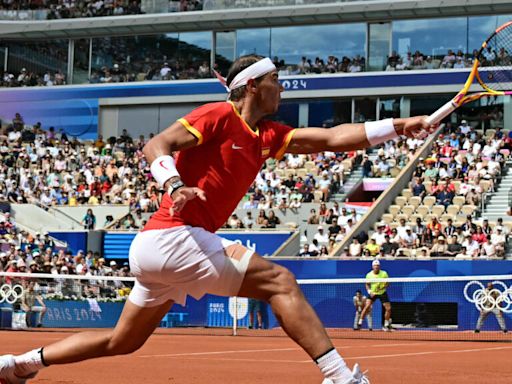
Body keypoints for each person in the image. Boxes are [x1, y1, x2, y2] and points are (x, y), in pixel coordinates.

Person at [0, 55, 434, 384]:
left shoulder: (267, 137)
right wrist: (174, 186)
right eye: (274, 81)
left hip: (162, 247)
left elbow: (334, 138)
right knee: (280, 281)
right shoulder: (218, 115)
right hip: (173, 236)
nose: (281, 88)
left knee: (123, 341)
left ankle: (20, 364)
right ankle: (341, 376)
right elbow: (157, 145)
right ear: (251, 87)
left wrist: (402, 125)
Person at [357, 260, 392, 332]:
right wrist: (369, 292)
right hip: (373, 293)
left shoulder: (384, 273)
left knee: (388, 308)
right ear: (372, 267)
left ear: (379, 266)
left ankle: (386, 324)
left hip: (382, 292)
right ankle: (360, 322)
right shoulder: (369, 275)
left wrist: (382, 287)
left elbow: (388, 283)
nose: (376, 267)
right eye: (375, 266)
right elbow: (367, 284)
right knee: (367, 306)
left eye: (377, 266)